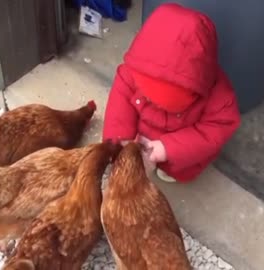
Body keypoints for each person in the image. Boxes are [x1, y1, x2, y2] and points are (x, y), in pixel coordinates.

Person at [102, 3, 241, 183]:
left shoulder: (219, 98)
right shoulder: (133, 73)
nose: (155, 103)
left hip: (179, 147)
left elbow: (212, 133)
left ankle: (170, 167)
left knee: (182, 165)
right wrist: (119, 139)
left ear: (194, 92)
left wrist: (169, 149)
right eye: (148, 97)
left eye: (166, 103)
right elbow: (119, 105)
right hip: (141, 138)